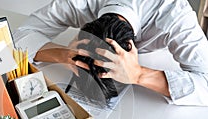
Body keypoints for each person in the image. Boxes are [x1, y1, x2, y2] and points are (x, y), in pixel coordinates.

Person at [13, 0, 208, 106]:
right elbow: (17, 36)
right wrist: (62, 54)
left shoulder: (175, 16)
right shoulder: (77, 4)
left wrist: (139, 74)